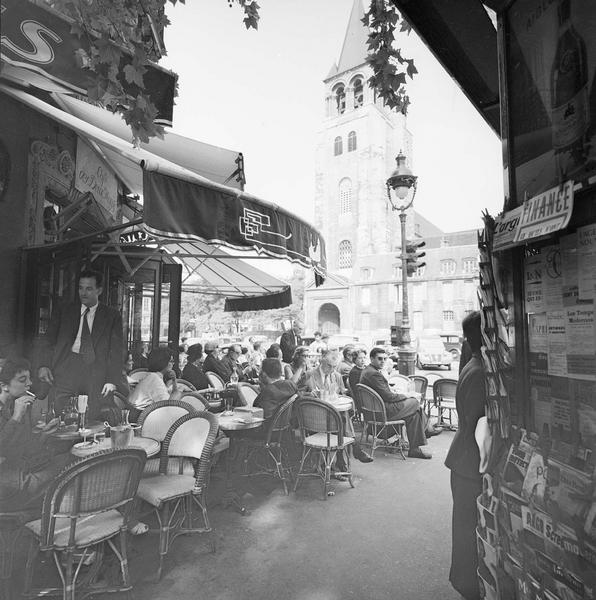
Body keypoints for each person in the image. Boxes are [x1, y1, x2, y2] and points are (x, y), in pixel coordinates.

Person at [36, 268, 126, 420]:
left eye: (89, 288)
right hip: (66, 367)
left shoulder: (111, 316)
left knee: (90, 417)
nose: (83, 293)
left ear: (99, 290)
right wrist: (44, 365)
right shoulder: (65, 310)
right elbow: (48, 339)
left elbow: (116, 351)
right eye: (80, 288)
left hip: (95, 372)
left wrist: (111, 380)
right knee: (59, 414)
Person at [445, 311, 486, 600]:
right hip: (470, 462)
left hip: (463, 459)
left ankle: (465, 581)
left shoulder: (473, 365)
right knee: (467, 526)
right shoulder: (481, 370)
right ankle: (467, 585)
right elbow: (478, 424)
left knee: (464, 524)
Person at [0, 357, 71, 511]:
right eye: (22, 380)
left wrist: (44, 434)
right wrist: (16, 418)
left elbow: (24, 448)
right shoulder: (16, 411)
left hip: (21, 471)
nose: (29, 383)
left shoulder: (16, 405)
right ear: (4, 386)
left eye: (29, 378)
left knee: (72, 460)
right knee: (71, 472)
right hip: (8, 484)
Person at [359, 347, 437, 460]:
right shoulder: (373, 374)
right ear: (371, 359)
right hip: (383, 411)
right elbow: (389, 397)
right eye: (380, 358)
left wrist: (394, 392)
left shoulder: (368, 371)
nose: (383, 361)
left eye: (385, 359)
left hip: (375, 410)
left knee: (413, 415)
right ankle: (427, 429)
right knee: (415, 402)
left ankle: (415, 449)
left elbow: (383, 392)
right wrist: (406, 396)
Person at [305, 347, 373, 464]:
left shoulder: (336, 376)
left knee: (342, 418)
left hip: (334, 415)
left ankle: (341, 461)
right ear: (322, 361)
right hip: (316, 418)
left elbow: (341, 393)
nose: (331, 370)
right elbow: (299, 394)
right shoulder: (310, 374)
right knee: (342, 420)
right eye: (329, 366)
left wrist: (341, 396)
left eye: (334, 367)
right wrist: (309, 394)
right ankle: (352, 450)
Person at [127, 347, 179, 415]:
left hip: (138, 414)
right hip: (140, 418)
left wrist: (174, 380)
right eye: (171, 361)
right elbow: (168, 407)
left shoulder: (152, 376)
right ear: (163, 362)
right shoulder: (155, 379)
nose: (173, 364)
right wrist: (177, 392)